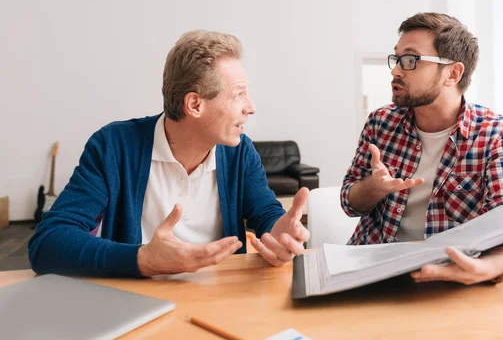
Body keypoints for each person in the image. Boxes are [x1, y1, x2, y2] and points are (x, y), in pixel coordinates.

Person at [29, 30, 309, 277]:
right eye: (238, 95)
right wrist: (143, 260)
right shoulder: (114, 146)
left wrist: (279, 233)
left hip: (222, 302)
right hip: (136, 302)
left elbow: (266, 213)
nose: (251, 107)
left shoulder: (240, 152)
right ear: (194, 104)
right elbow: (48, 242)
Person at [341, 12, 503, 285]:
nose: (396, 70)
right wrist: (373, 188)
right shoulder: (380, 123)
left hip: (447, 278)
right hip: (369, 270)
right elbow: (349, 203)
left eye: (410, 60)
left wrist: (493, 267)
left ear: (453, 73)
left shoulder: (496, 134)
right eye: (397, 58)